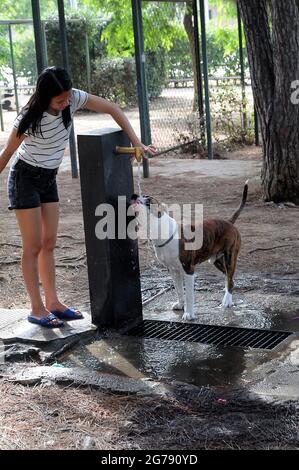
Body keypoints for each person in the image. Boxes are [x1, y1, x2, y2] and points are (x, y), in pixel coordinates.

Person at [0, 66, 156, 328]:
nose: (65, 102)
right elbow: (6, 156)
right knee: (33, 246)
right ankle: (37, 309)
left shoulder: (73, 98)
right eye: (59, 99)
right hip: (24, 178)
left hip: (48, 178)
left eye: (67, 96)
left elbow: (113, 109)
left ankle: (53, 302)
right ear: (45, 97)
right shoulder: (29, 119)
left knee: (49, 242)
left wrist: (137, 142)